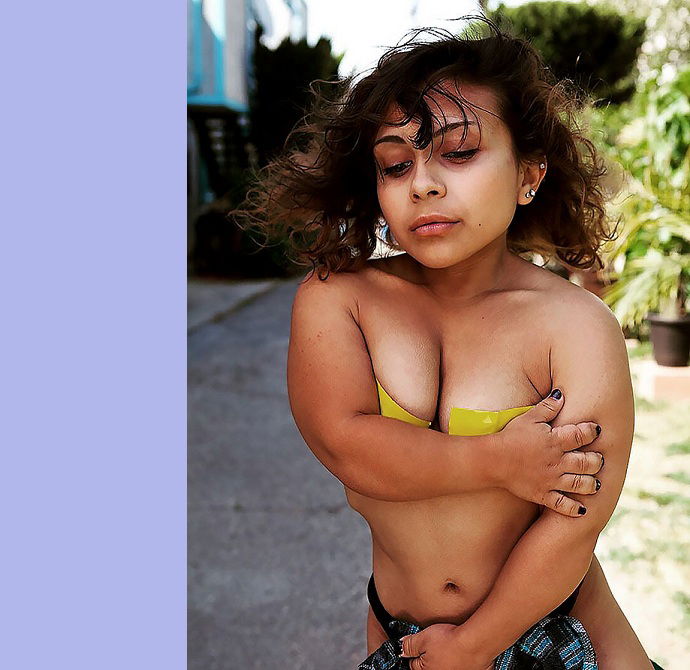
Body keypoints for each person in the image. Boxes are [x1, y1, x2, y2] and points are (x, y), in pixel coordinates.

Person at [232, 15, 664, 670]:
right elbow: (348, 447)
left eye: (459, 152)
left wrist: (472, 646)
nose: (423, 183)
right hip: (406, 640)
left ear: (529, 174)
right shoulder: (339, 299)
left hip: (565, 638)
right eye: (395, 164)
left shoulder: (577, 325)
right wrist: (499, 460)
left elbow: (575, 523)